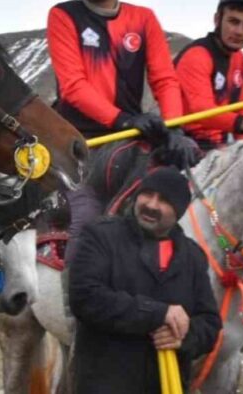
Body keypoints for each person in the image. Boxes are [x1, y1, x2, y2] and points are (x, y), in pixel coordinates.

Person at [46, 0, 200, 262]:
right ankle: (78, 304)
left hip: (129, 142)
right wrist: (124, 119)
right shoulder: (63, 16)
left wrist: (173, 131)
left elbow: (164, 80)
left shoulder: (143, 19)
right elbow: (73, 86)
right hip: (79, 144)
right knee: (87, 222)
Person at [69, 167, 221, 394]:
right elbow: (86, 297)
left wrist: (185, 337)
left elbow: (210, 323)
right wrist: (157, 313)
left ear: (179, 211)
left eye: (164, 200)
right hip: (105, 383)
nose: (151, 204)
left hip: (167, 385)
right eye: (147, 194)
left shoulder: (193, 256)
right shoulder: (101, 236)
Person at [175, 0, 243, 151]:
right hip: (185, 145)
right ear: (217, 19)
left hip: (220, 148)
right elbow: (201, 110)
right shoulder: (197, 55)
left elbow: (242, 110)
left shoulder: (239, 58)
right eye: (233, 21)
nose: (239, 31)